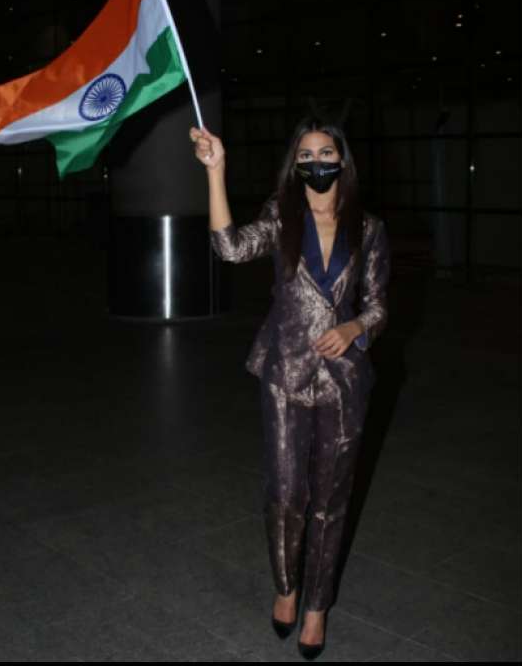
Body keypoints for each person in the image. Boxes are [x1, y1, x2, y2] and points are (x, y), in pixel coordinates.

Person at [190, 117, 390, 660]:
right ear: (294, 164)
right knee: (285, 495)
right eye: (306, 154)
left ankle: (318, 606)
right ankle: (286, 587)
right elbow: (230, 248)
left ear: (342, 160)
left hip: (346, 382)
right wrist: (217, 171)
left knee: (331, 500)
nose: (316, 161)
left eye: (326, 152)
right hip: (283, 374)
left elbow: (377, 305)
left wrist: (353, 329)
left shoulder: (368, 228)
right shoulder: (282, 218)